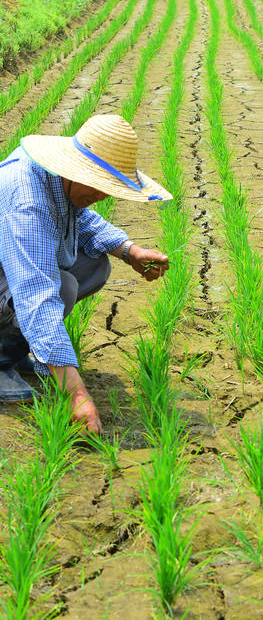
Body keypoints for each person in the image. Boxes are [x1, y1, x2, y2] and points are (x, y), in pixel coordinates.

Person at [0, 114, 172, 434]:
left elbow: (83, 222)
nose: (104, 195)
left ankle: (16, 348)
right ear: (76, 168)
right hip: (13, 276)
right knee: (59, 287)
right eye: (100, 185)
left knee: (94, 264)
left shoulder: (58, 180)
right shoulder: (28, 198)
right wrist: (77, 394)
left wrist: (129, 251)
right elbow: (35, 290)